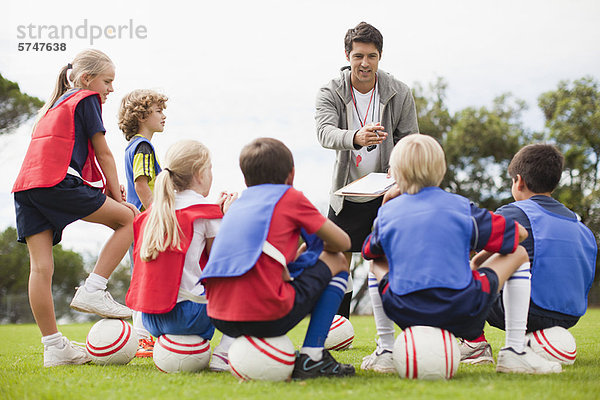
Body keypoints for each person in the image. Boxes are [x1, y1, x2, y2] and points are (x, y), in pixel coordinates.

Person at [362, 134, 562, 374]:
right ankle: (514, 352)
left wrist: (386, 208)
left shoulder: (388, 213)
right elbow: (518, 234)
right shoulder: (459, 207)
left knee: (375, 261)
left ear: (394, 174)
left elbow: (368, 251)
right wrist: (478, 258)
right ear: (440, 170)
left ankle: (385, 350)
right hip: (463, 311)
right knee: (518, 252)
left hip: (404, 312)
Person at [12, 49, 138, 367]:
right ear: (86, 79)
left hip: (26, 188)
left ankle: (54, 347)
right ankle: (94, 289)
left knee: (40, 269)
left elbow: (67, 156)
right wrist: (118, 197)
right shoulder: (85, 98)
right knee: (128, 219)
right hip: (55, 183)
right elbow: (104, 153)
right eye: (107, 81)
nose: (111, 89)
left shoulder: (54, 106)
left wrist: (106, 188)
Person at [200, 137, 355, 379]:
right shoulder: (290, 197)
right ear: (291, 175)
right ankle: (313, 356)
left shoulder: (237, 205)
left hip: (220, 317)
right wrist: (316, 250)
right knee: (338, 260)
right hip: (266, 316)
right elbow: (343, 243)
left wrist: (302, 254)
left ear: (245, 178)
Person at [315, 22, 418, 365]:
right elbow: (325, 132)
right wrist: (356, 137)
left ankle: (400, 335)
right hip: (347, 193)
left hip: (388, 192)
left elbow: (409, 138)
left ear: (380, 57)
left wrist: (397, 168)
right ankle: (335, 329)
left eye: (371, 56)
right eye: (358, 55)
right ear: (347, 55)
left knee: (391, 260)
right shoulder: (330, 90)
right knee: (337, 259)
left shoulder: (399, 91)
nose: (364, 63)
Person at [460, 144, 597, 365]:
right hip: (569, 317)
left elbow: (474, 253)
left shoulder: (514, 212)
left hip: (527, 310)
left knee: (457, 266)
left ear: (519, 181)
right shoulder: (581, 226)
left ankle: (474, 343)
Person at [125, 140, 237, 371]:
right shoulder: (207, 213)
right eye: (210, 168)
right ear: (199, 173)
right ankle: (225, 353)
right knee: (245, 279)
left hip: (152, 318)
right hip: (188, 317)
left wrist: (215, 214)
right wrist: (227, 218)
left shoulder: (153, 214)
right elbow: (222, 264)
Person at [118, 89, 168, 357]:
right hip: (145, 222)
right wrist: (160, 215)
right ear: (142, 115)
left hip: (137, 223)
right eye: (159, 110)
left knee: (140, 276)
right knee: (145, 278)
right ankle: (142, 337)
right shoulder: (143, 147)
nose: (164, 116)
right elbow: (141, 185)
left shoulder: (133, 147)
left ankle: (143, 335)